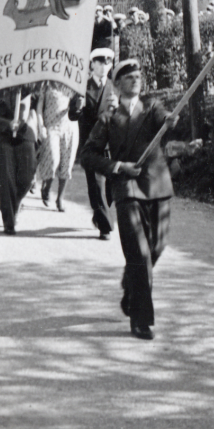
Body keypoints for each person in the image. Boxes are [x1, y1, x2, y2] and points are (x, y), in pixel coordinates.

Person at [80, 58, 178, 340]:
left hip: (157, 186)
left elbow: (165, 120)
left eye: (138, 75)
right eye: (129, 76)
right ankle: (140, 318)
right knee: (139, 254)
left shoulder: (153, 108)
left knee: (156, 247)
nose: (135, 79)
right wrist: (118, 167)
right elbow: (88, 155)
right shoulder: (108, 118)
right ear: (117, 84)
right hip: (127, 189)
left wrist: (172, 120)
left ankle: (130, 284)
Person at [68, 47, 117, 238]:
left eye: (107, 63)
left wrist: (119, 107)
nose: (103, 67)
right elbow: (72, 116)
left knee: (112, 187)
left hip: (112, 145)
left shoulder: (116, 88)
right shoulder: (82, 88)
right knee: (96, 186)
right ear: (92, 64)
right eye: (99, 62)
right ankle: (105, 226)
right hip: (92, 145)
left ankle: (99, 213)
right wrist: (78, 107)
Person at [0, 85, 37, 235]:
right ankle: (9, 223)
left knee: (27, 178)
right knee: (5, 180)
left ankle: (16, 203)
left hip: (25, 134)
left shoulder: (28, 84)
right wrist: (7, 124)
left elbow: (37, 102)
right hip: (2, 137)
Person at [35, 82, 79, 212]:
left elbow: (78, 110)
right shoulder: (47, 84)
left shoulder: (73, 85)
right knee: (52, 160)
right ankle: (47, 187)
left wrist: (78, 105)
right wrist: (41, 125)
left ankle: (60, 198)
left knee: (67, 163)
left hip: (70, 128)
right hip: (51, 126)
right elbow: (39, 107)